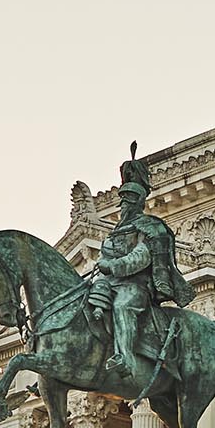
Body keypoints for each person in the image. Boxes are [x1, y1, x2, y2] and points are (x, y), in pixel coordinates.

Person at [82, 150, 190, 390]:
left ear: (138, 202)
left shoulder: (150, 227)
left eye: (129, 200)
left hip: (136, 287)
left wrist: (112, 265)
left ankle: (125, 357)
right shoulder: (117, 230)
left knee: (122, 306)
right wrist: (102, 265)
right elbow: (106, 253)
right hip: (111, 282)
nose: (123, 205)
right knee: (85, 305)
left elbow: (140, 257)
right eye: (122, 200)